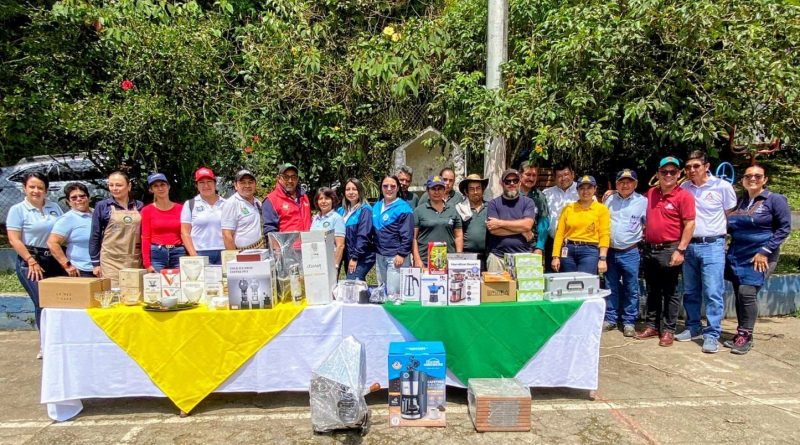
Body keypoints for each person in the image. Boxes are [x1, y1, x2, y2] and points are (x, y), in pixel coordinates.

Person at [724, 165, 790, 354]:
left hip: (760, 256)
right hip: (737, 254)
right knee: (739, 293)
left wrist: (765, 251)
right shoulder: (740, 201)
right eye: (748, 176)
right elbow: (729, 226)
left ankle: (746, 335)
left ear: (765, 179)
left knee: (747, 292)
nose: (753, 179)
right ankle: (740, 333)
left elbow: (784, 229)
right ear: (743, 180)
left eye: (757, 176)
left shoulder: (774, 200)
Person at [676, 150, 737, 353]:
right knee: (690, 291)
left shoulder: (722, 187)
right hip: (689, 246)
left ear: (706, 166)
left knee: (713, 292)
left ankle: (712, 334)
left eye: (696, 166)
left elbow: (731, 216)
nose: (692, 170)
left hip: (713, 245)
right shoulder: (685, 187)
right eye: (688, 167)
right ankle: (693, 327)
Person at [635, 157, 695, 347]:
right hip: (650, 249)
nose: (668, 175)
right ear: (658, 173)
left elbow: (690, 224)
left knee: (670, 292)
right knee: (652, 290)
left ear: (678, 174)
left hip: (670, 249)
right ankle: (652, 326)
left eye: (672, 172)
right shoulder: (651, 193)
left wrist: (680, 250)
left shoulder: (684, 196)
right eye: (664, 172)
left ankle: (668, 329)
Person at [6, 172, 64, 337]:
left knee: (58, 301)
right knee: (42, 302)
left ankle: (57, 340)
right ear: (25, 188)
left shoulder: (54, 207)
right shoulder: (17, 210)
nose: (36, 191)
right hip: (31, 261)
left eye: (40, 187)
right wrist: (31, 261)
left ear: (46, 190)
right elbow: (14, 239)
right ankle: (44, 343)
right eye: (32, 187)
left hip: (53, 259)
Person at [602, 169, 647, 337]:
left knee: (631, 287)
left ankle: (629, 321)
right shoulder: (608, 200)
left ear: (635, 184)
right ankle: (611, 319)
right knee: (610, 286)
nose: (625, 184)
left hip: (630, 251)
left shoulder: (643, 202)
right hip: (610, 251)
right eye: (621, 181)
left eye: (629, 181)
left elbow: (648, 224)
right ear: (616, 184)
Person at [90, 171, 144, 288]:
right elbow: (95, 235)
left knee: (135, 293)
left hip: (134, 259)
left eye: (119, 185)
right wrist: (95, 263)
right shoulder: (102, 206)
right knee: (114, 295)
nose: (114, 188)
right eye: (111, 185)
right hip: (110, 261)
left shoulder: (139, 206)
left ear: (129, 186)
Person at [551, 175, 610, 275]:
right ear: (577, 190)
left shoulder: (602, 209)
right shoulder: (568, 208)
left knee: (585, 284)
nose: (585, 191)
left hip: (589, 251)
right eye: (582, 188)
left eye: (589, 188)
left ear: (595, 189)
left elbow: (604, 234)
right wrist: (555, 257)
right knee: (568, 284)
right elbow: (559, 233)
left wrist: (603, 258)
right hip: (568, 251)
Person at [485, 169, 536, 272]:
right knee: (496, 288)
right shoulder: (493, 204)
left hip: (523, 257)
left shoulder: (528, 202)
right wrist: (521, 230)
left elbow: (527, 225)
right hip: (498, 258)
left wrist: (500, 223)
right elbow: (493, 230)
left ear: (520, 182)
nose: (512, 183)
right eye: (508, 181)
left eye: (515, 180)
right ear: (502, 183)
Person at [372, 175, 414, 294]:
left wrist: (401, 254)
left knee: (393, 294)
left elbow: (408, 234)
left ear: (397, 188)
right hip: (380, 255)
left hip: (396, 258)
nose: (389, 189)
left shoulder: (404, 208)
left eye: (392, 186)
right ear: (381, 188)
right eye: (385, 186)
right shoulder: (376, 206)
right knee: (382, 292)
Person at [412, 176, 463, 269]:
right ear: (427, 191)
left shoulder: (452, 210)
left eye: (440, 189)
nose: (436, 192)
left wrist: (458, 257)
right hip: (425, 262)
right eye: (433, 189)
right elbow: (413, 238)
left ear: (444, 191)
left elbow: (458, 235)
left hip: (448, 262)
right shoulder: (419, 211)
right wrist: (417, 259)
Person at [48, 182, 95, 278]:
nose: (79, 199)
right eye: (74, 198)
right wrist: (67, 265)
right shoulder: (67, 219)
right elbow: (52, 243)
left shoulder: (97, 214)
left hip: (101, 268)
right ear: (68, 202)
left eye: (82, 196)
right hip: (82, 270)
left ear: (88, 198)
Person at [180, 167, 226, 265]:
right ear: (197, 185)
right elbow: (185, 232)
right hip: (200, 252)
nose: (206, 185)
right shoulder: (190, 204)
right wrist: (194, 255)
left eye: (209, 181)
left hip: (224, 252)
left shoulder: (226, 204)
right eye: (201, 182)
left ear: (215, 183)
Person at [141, 173, 184, 272]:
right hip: (157, 253)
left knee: (180, 284)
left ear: (168, 186)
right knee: (157, 286)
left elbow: (186, 233)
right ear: (151, 190)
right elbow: (145, 237)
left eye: (162, 184)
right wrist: (147, 263)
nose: (160, 188)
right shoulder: (147, 210)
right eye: (155, 186)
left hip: (178, 252)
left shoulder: (181, 209)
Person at [337, 178, 376, 281]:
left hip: (362, 256)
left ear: (360, 191)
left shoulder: (365, 210)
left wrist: (355, 258)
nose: (351, 192)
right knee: (356, 285)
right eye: (348, 189)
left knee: (353, 281)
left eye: (354, 189)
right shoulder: (341, 211)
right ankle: (365, 297)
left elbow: (363, 236)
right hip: (348, 255)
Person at [543, 163, 578, 270]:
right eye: (559, 176)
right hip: (552, 243)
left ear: (573, 174)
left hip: (575, 245)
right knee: (553, 279)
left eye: (566, 174)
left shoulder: (582, 190)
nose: (563, 178)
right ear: (554, 178)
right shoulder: (547, 194)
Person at [262, 163, 311, 235]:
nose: (290, 180)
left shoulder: (304, 196)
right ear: (279, 178)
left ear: (297, 179)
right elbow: (270, 230)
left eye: (293, 177)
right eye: (286, 177)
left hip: (307, 243)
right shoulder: (271, 200)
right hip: (287, 245)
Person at [221, 169, 264, 250]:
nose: (247, 186)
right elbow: (227, 235)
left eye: (250, 182)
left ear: (255, 184)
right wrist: (233, 258)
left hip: (260, 250)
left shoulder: (258, 203)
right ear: (236, 185)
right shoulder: (231, 203)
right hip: (242, 254)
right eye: (243, 182)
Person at [456, 174, 489, 268]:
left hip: (487, 256)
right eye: (471, 189)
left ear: (482, 190)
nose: (475, 192)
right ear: (466, 192)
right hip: (467, 257)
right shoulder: (460, 209)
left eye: (478, 188)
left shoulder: (491, 207)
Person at [311, 187, 346, 271]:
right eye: (320, 199)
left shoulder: (337, 218)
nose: (323, 201)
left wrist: (335, 265)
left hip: (329, 262)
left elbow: (340, 245)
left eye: (327, 198)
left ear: (332, 200)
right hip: (315, 261)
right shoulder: (315, 218)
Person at [519, 161, 550, 255]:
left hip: (531, 246)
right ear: (520, 175)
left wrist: (539, 247)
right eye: (528, 174)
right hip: (511, 244)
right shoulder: (511, 194)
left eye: (534, 175)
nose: (531, 178)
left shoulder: (539, 197)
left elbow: (543, 223)